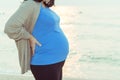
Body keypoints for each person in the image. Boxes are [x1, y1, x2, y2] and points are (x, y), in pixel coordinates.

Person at [4, 0, 69, 80]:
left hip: (56, 60)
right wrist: (29, 37)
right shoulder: (30, 4)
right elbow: (10, 27)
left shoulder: (43, 6)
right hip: (45, 60)